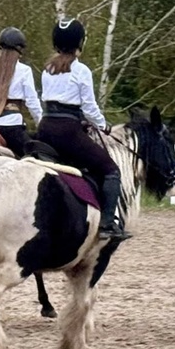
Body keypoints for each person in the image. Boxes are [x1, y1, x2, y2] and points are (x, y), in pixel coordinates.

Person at [36, 17, 129, 242]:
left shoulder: (47, 69)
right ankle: (107, 224)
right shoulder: (81, 71)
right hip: (67, 132)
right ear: (79, 42)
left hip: (45, 128)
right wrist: (103, 125)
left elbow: (52, 102)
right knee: (111, 170)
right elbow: (89, 107)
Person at [0, 26, 43, 157]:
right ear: (19, 50)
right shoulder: (24, 71)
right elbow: (32, 102)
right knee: (38, 158)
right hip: (12, 127)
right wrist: (41, 123)